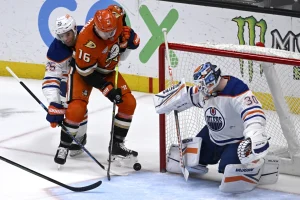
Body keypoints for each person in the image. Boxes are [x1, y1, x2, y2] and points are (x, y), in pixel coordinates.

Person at [154, 62, 279, 192]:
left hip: (235, 140)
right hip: (212, 136)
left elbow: (254, 114)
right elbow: (190, 95)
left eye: (204, 84)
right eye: (200, 84)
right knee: (190, 161)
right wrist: (173, 98)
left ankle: (257, 164)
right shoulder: (205, 91)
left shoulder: (237, 90)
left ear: (212, 80)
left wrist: (253, 135)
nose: (201, 88)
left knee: (229, 170)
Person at [51, 5, 140, 166]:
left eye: (112, 31)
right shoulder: (85, 41)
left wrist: (130, 37)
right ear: (96, 28)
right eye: (105, 33)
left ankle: (116, 145)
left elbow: (122, 13)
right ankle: (63, 146)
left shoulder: (115, 15)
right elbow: (87, 74)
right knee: (76, 109)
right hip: (85, 73)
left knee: (129, 103)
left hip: (109, 69)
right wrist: (108, 90)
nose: (110, 35)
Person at [42, 14, 88, 165]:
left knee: (77, 106)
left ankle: (79, 135)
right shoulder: (56, 49)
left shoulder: (87, 36)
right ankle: (77, 138)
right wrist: (54, 103)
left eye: (68, 34)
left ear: (74, 29)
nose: (66, 39)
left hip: (90, 73)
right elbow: (50, 77)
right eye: (62, 36)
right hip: (67, 77)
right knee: (73, 107)